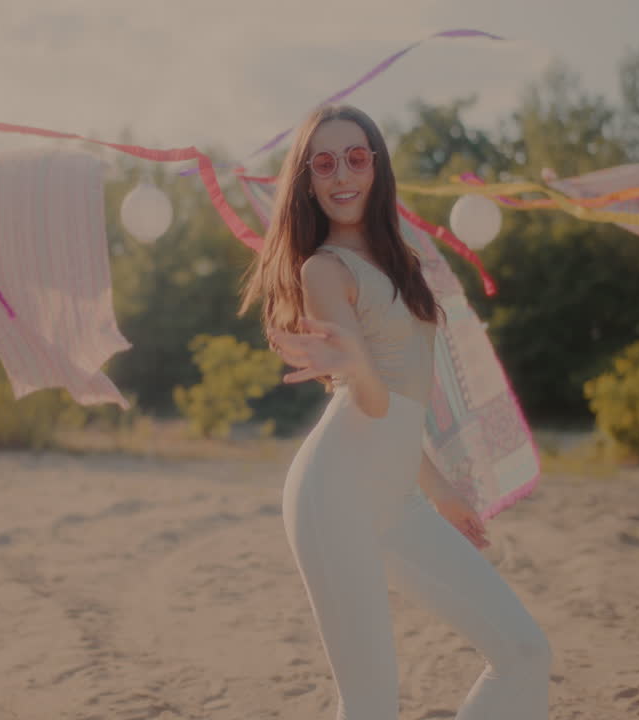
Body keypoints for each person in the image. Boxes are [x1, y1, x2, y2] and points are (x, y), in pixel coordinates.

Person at [240, 104, 551, 719]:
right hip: (332, 495)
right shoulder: (323, 269)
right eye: (323, 163)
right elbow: (373, 402)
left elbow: (404, 401)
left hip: (398, 496)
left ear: (376, 166)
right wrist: (357, 368)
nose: (341, 174)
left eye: (355, 157)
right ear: (307, 181)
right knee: (371, 703)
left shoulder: (400, 261)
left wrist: (439, 490)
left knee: (524, 652)